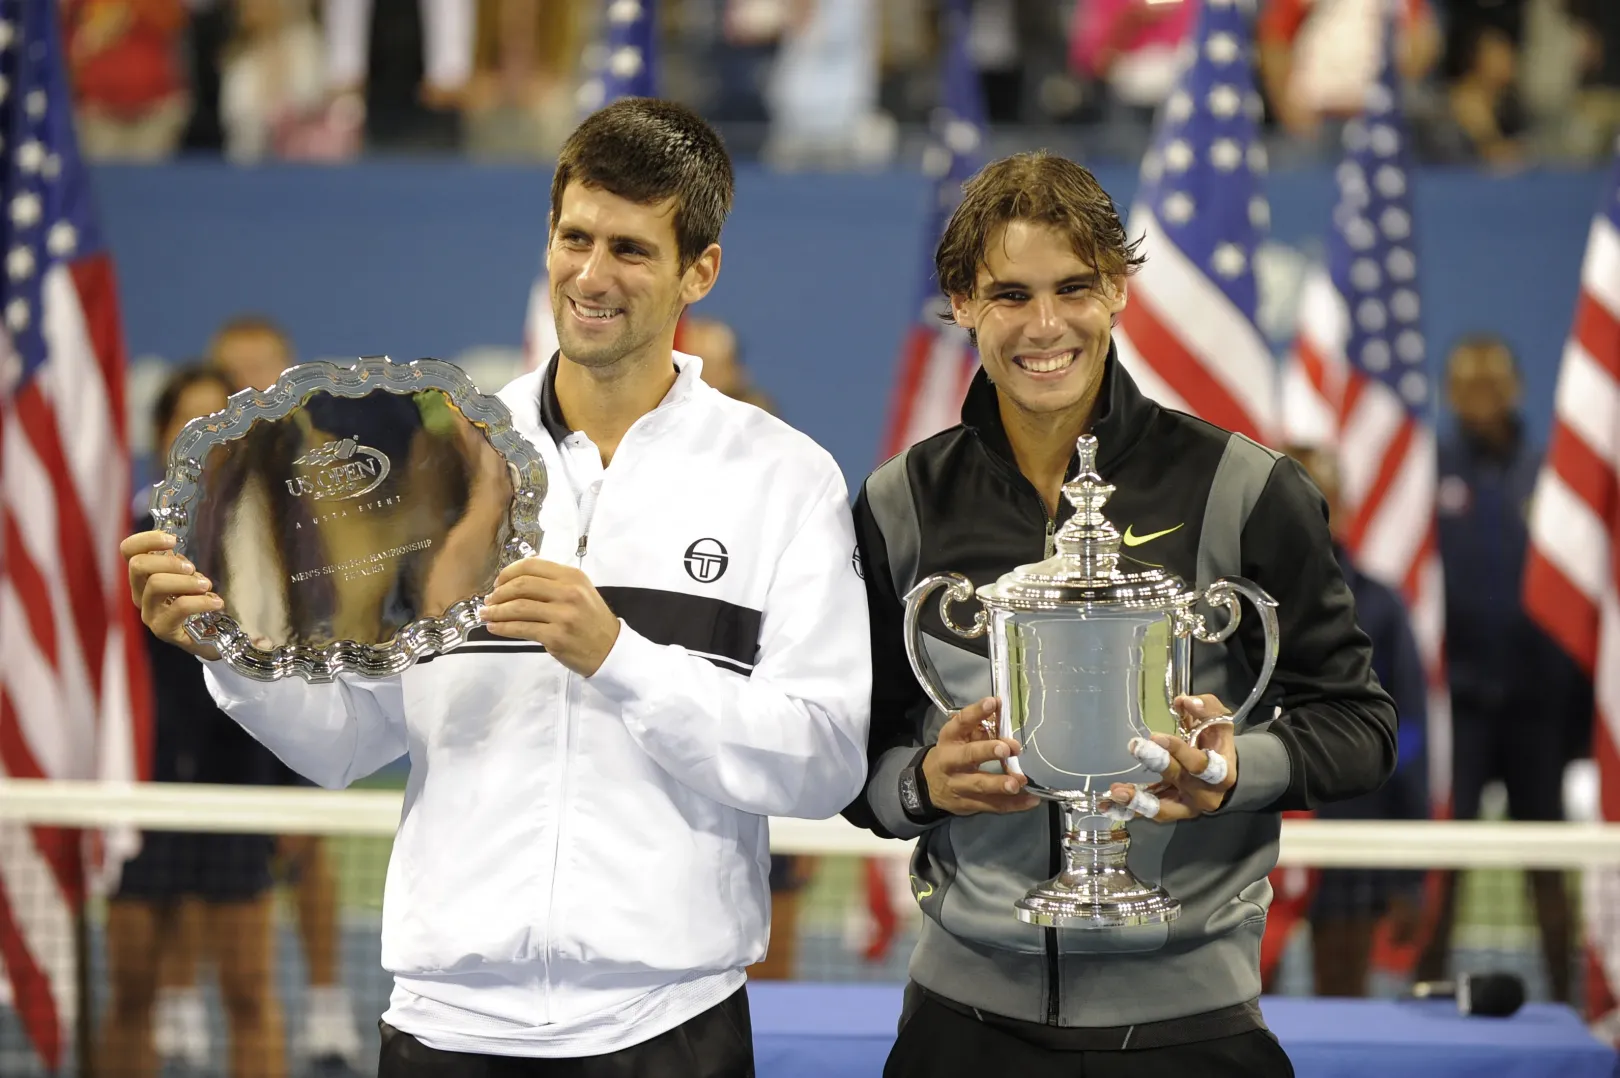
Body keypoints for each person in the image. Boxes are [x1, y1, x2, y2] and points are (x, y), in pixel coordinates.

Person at [123, 97, 871, 1073]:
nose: (592, 276)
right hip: (445, 1027)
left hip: (668, 1025)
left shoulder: (783, 476)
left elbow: (824, 762)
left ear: (701, 269)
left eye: (633, 250)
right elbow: (351, 739)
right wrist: (233, 649)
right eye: (575, 238)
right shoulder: (441, 453)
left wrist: (619, 657)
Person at [842, 151, 1397, 1077]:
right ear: (962, 301)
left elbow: (1360, 725)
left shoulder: (1247, 490)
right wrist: (921, 786)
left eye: (1075, 288)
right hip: (961, 1025)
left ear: (1120, 290)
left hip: (1194, 1027)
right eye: (1011, 294)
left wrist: (1232, 767)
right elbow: (853, 746)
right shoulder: (902, 502)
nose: (1046, 326)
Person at [101, 365, 287, 1078]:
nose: (207, 445)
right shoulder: (122, 545)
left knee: (247, 992)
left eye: (223, 429)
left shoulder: (275, 545)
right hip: (140, 790)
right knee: (131, 992)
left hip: (235, 788)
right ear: (158, 441)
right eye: (190, 428)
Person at [1415, 335, 1589, 1002]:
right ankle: (1424, 996)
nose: (1480, 397)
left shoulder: (1553, 478)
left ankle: (1572, 1001)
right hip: (1456, 706)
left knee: (1547, 863)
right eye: (1466, 384)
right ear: (1450, 394)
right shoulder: (1426, 475)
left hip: (1537, 705)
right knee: (1444, 865)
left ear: (1516, 389)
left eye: (1492, 383)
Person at [1283, 445, 1429, 998]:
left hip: (1353, 841)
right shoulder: (1229, 605)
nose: (1309, 514)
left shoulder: (1383, 608)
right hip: (1249, 841)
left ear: (1343, 506)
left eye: (1322, 501)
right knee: (1235, 1015)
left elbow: (1409, 740)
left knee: (1343, 1006)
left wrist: (1409, 871)